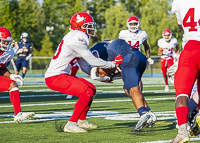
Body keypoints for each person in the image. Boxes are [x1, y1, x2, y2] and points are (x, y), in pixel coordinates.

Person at [44, 12, 123, 133]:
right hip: (55, 77)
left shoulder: (74, 36)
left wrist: (100, 78)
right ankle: (71, 124)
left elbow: (84, 66)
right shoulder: (78, 37)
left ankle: (81, 120)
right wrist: (113, 64)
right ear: (79, 25)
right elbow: (92, 59)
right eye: (87, 25)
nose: (90, 28)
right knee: (87, 91)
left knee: (91, 88)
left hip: (60, 75)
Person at [90, 40, 157, 132]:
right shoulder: (109, 47)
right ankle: (149, 112)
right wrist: (110, 76)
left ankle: (143, 114)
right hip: (140, 57)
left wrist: (105, 77)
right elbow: (117, 70)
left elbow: (98, 72)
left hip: (129, 57)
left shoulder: (95, 51)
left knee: (132, 88)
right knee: (127, 89)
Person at [171, 0, 200, 142]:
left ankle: (182, 131)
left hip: (189, 49)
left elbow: (182, 26)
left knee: (182, 93)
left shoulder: (178, 2)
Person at [0, 27, 35, 123]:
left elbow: (1, 68)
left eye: (8, 41)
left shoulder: (7, 53)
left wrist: (11, 76)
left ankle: (18, 114)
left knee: (13, 85)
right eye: (4, 41)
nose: (7, 44)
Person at [119, 16, 154, 91]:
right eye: (131, 24)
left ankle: (139, 95)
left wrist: (149, 57)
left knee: (137, 77)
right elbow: (119, 46)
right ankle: (134, 93)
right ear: (128, 24)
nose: (133, 26)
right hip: (126, 57)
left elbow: (146, 46)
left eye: (135, 24)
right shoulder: (124, 33)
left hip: (137, 57)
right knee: (127, 78)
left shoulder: (142, 34)